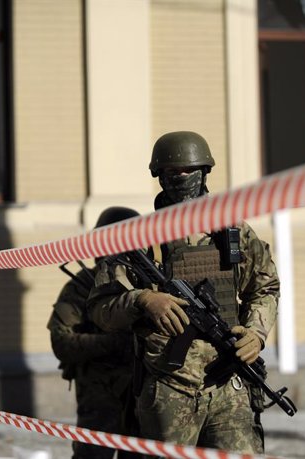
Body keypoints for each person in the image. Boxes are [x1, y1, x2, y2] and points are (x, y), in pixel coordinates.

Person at [88, 131, 280, 454]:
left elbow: (265, 286)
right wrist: (143, 300)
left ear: (204, 172)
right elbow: (101, 308)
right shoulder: (139, 238)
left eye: (188, 171)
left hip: (228, 384)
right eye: (171, 173)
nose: (180, 178)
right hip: (169, 388)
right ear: (159, 177)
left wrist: (256, 333)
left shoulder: (232, 233)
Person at [48, 206, 141, 459]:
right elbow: (61, 341)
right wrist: (114, 343)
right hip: (100, 396)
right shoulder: (82, 285)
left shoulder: (148, 283)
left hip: (141, 394)